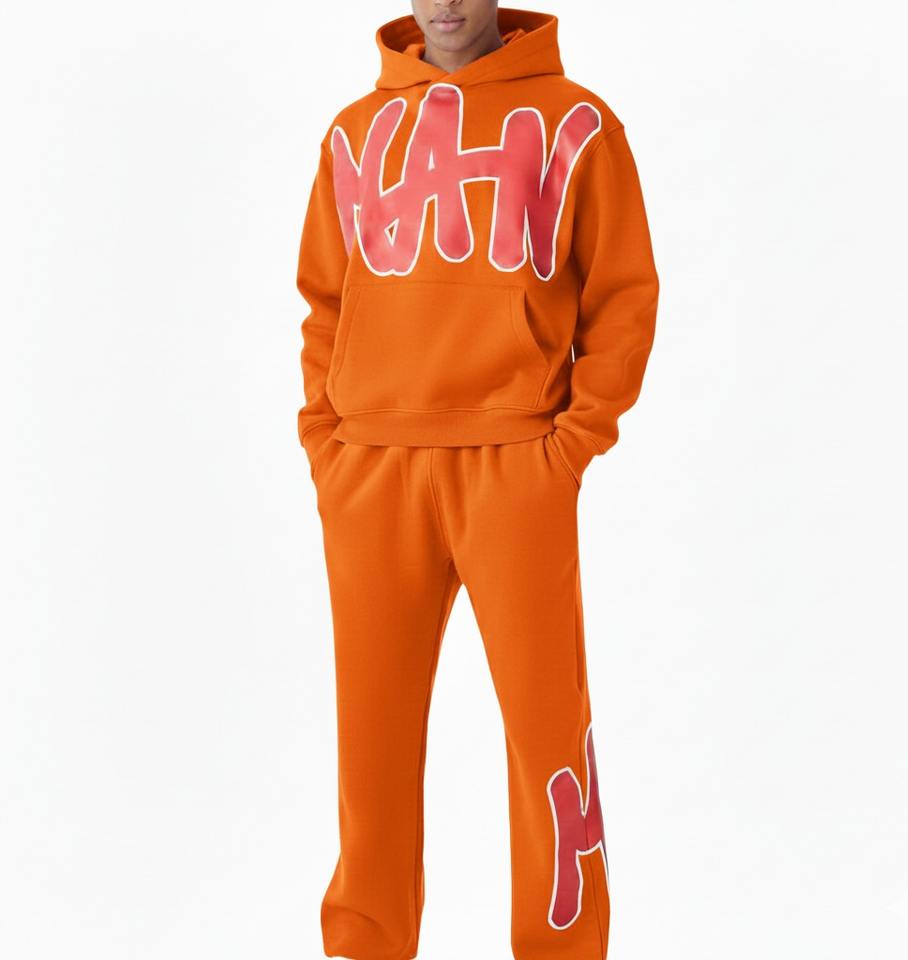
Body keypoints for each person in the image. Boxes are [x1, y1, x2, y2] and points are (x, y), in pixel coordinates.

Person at [295, 2, 659, 958]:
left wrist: (572, 443)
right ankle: (365, 945)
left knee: (547, 731)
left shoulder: (579, 122)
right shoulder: (353, 131)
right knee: (370, 743)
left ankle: (561, 949)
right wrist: (325, 436)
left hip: (515, 465)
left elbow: (624, 294)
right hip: (370, 467)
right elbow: (326, 298)